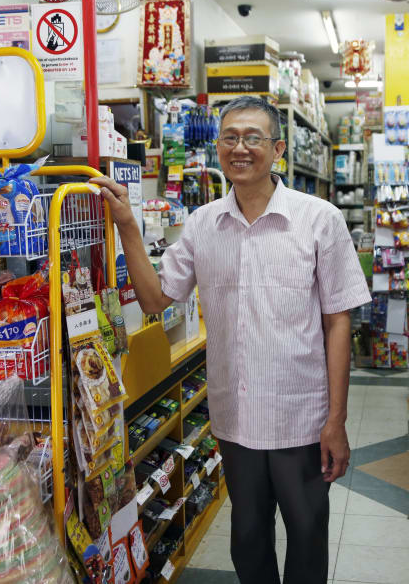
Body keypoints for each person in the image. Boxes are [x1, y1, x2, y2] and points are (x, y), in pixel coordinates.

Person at [91, 95, 370, 584]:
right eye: (230, 137)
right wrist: (128, 228)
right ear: (218, 146)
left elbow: (338, 322)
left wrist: (337, 421)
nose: (240, 148)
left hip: (300, 419)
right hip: (235, 420)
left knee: (307, 536)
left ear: (278, 149)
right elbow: (157, 299)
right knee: (248, 540)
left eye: (253, 138)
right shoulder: (203, 225)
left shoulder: (319, 218)